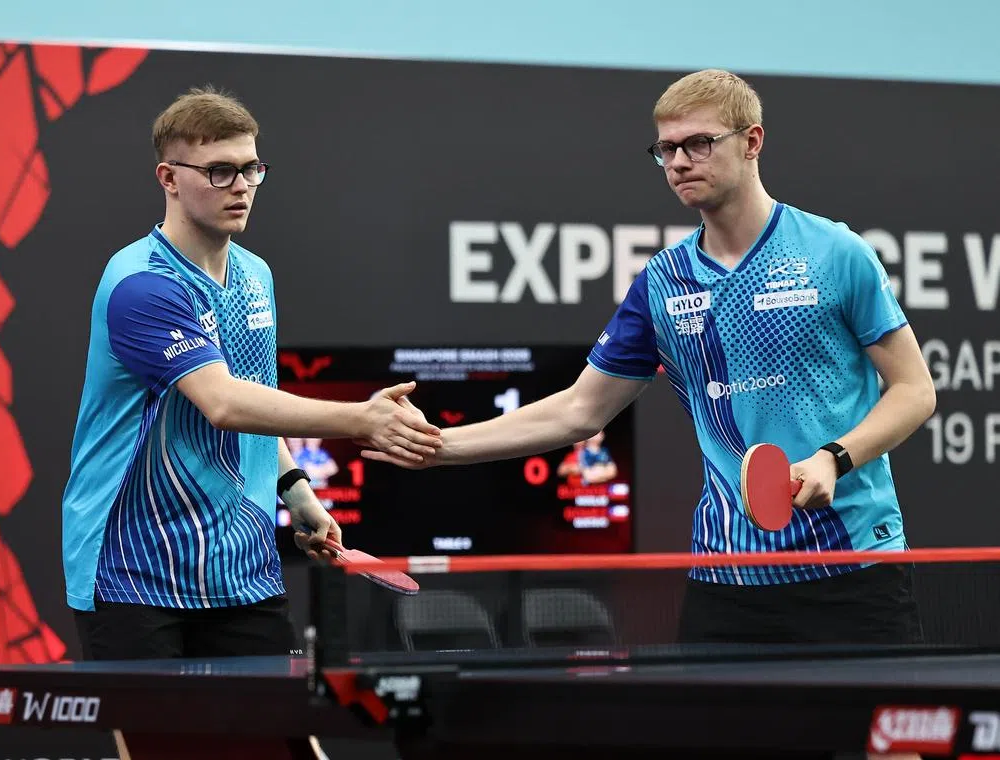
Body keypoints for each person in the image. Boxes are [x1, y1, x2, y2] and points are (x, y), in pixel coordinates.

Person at [367, 69, 936, 649]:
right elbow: (579, 411)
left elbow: (915, 390)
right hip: (728, 581)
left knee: (888, 740)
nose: (679, 161)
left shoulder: (835, 252)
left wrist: (833, 460)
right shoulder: (663, 282)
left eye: (699, 143)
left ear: (752, 142)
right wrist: (439, 447)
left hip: (855, 568)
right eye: (666, 149)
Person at [61, 86, 441, 662]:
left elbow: (256, 400)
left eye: (251, 169)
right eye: (219, 171)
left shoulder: (254, 274)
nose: (240, 186)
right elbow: (223, 403)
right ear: (168, 177)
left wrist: (297, 489)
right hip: (134, 569)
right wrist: (361, 418)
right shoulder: (143, 284)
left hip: (241, 563)